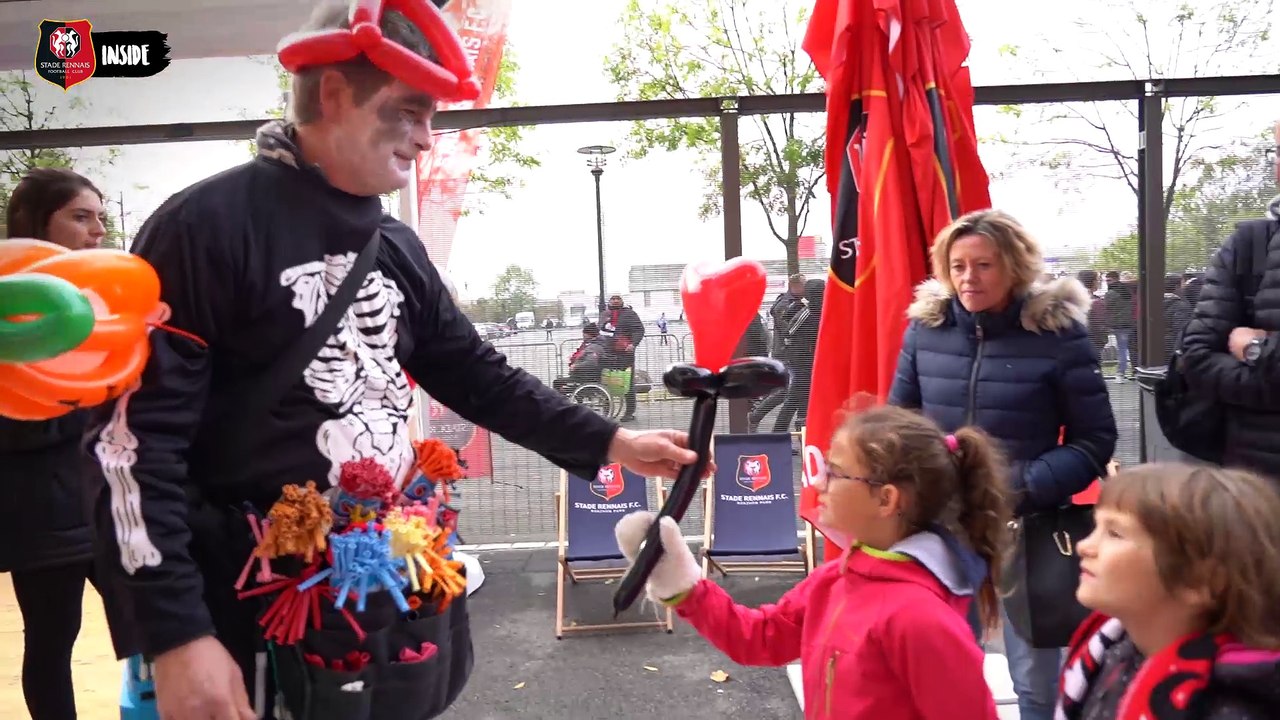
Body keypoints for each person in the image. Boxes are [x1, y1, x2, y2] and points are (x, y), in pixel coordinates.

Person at [84, 4, 700, 719]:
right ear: (336, 96)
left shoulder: (395, 244)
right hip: (242, 601)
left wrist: (612, 440)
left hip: (378, 591)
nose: (426, 137)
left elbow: (474, 371)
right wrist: (175, 633)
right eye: (408, 111)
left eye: (430, 116)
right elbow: (131, 447)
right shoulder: (203, 229)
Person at [616, 405, 1006, 719]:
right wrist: (682, 584)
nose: (817, 483)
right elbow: (759, 638)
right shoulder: (835, 580)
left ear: (887, 500)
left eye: (834, 473)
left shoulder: (921, 619)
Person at [889, 209, 1117, 720]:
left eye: (984, 265)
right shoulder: (925, 331)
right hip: (942, 529)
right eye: (959, 265)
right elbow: (899, 426)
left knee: (1037, 680)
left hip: (1028, 525)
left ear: (1014, 266)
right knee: (946, 670)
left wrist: (1022, 485)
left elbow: (1094, 439)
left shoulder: (1058, 336)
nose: (969, 277)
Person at [0, 167, 132, 720]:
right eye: (81, 216)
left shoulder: (100, 299)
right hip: (43, 510)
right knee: (54, 641)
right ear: (35, 223)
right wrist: (89, 404)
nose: (97, 230)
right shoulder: (12, 307)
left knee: (157, 625)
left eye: (100, 217)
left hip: (113, 501)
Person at [1058, 463, 1280, 719]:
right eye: (1095, 528)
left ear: (1199, 580)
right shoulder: (1111, 653)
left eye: (1115, 533)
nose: (1084, 546)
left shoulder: (1231, 704)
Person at [1179, 120, 1280, 480]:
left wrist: (1256, 350)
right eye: (1279, 152)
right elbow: (1198, 359)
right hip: (1258, 490)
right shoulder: (1247, 247)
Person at [599, 293, 645, 422]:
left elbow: (639, 330)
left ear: (622, 301)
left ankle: (629, 412)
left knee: (627, 383)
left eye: (617, 298)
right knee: (605, 381)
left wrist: (633, 344)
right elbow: (600, 331)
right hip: (607, 353)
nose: (615, 301)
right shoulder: (604, 314)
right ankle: (607, 410)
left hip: (625, 354)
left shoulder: (629, 314)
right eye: (612, 299)